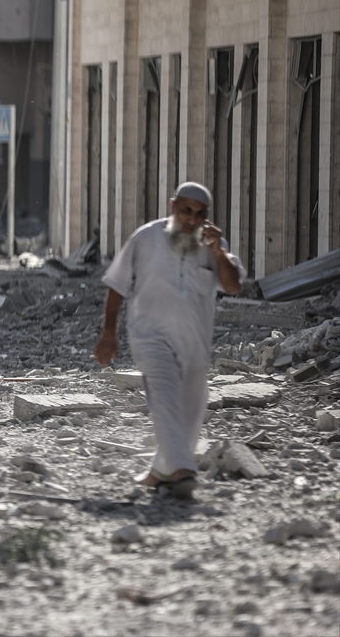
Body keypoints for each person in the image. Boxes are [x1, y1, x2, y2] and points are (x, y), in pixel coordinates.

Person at [94, 181, 243, 499]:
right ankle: (183, 470)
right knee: (164, 397)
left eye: (199, 214)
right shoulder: (145, 238)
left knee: (190, 411)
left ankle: (160, 472)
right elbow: (117, 285)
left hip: (195, 344)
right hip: (150, 336)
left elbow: (233, 286)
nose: (192, 220)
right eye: (186, 210)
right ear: (173, 206)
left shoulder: (213, 246)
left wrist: (218, 252)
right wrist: (108, 333)